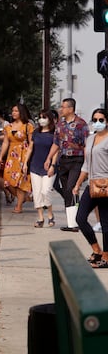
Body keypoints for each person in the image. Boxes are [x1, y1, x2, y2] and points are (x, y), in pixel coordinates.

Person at [44, 98, 89, 232]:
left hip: (77, 160)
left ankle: (77, 221)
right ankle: (72, 223)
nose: (61, 109)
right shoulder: (60, 125)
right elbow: (56, 144)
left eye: (63, 107)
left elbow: (86, 145)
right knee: (66, 190)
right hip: (63, 161)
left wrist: (87, 165)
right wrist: (49, 158)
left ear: (70, 109)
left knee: (71, 188)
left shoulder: (81, 124)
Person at [72, 108, 108, 268]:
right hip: (92, 184)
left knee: (106, 223)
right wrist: (78, 184)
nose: (98, 122)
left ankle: (106, 257)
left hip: (107, 185)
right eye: (95, 119)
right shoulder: (90, 139)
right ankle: (97, 250)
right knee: (80, 218)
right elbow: (86, 164)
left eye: (101, 119)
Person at [24, 109, 58, 227]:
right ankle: (40, 218)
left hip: (48, 167)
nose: (41, 120)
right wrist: (25, 163)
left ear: (50, 119)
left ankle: (50, 214)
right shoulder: (36, 132)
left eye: (44, 117)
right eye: (40, 117)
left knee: (46, 190)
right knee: (37, 192)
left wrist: (53, 165)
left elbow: (56, 151)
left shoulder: (54, 134)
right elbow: (30, 148)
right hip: (35, 165)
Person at [0, 103, 34, 214]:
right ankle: (23, 198)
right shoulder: (8, 127)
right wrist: (0, 157)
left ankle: (19, 206)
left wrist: (27, 159)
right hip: (11, 156)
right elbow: (5, 142)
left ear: (21, 112)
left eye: (16, 111)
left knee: (20, 181)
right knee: (7, 180)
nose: (13, 113)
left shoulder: (28, 126)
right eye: (13, 111)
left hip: (24, 154)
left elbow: (31, 142)